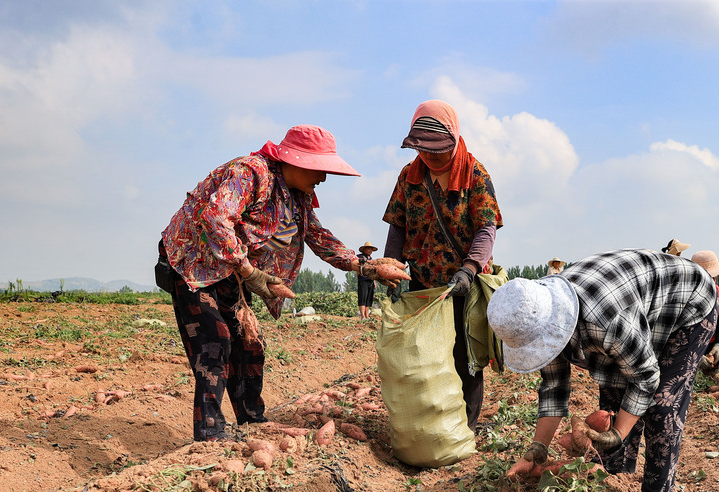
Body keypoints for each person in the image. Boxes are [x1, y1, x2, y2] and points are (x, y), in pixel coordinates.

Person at [160, 124, 387, 442]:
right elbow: (215, 217)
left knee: (250, 346)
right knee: (216, 341)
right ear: (295, 161)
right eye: (318, 170)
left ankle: (251, 420)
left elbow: (317, 236)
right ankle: (209, 433)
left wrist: (365, 268)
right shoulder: (250, 173)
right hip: (195, 265)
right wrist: (251, 273)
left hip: (233, 272)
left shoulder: (298, 198)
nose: (322, 178)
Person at [489, 250, 718, 492]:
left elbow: (645, 378)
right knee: (612, 400)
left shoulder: (606, 322)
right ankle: (610, 474)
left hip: (687, 302)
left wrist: (618, 433)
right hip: (631, 305)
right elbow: (554, 387)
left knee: (662, 406)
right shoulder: (533, 314)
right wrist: (537, 448)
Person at [382, 100, 503, 430]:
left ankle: (466, 426)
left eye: (438, 150)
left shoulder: (475, 175)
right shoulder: (409, 176)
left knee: (467, 357)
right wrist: (392, 266)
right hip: (425, 284)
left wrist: (469, 268)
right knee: (427, 355)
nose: (431, 157)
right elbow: (398, 225)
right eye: (425, 150)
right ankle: (433, 421)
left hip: (466, 284)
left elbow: (486, 228)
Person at [356, 241, 378, 319]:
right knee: (363, 297)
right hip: (363, 279)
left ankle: (367, 316)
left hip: (370, 280)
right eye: (368, 249)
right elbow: (356, 264)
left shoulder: (371, 259)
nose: (370, 251)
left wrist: (374, 281)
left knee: (369, 298)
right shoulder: (360, 257)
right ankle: (362, 316)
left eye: (371, 249)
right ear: (364, 249)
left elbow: (372, 272)